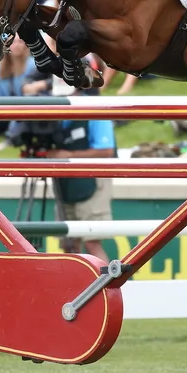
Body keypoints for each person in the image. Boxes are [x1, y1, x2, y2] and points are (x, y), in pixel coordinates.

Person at [44, 78, 117, 264]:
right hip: (65, 184)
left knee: (92, 243)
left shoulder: (94, 109)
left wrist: (68, 155)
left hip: (93, 182)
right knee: (68, 244)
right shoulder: (55, 112)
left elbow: (106, 151)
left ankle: (104, 289)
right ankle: (73, 288)